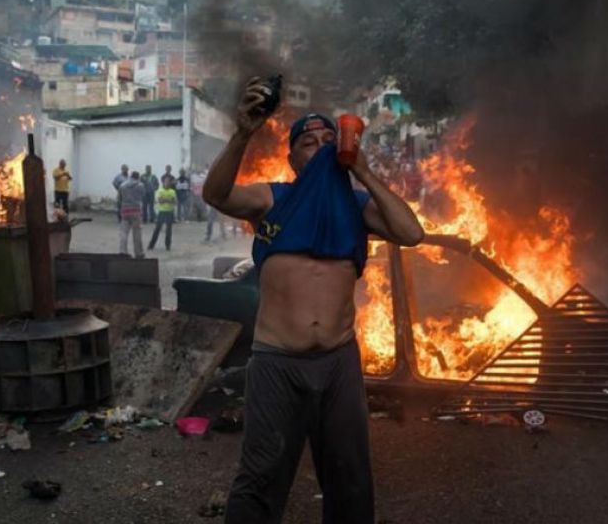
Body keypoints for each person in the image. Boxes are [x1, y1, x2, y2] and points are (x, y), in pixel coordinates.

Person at [204, 79, 425, 524]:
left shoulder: (359, 205)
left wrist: (362, 169)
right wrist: (243, 133)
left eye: (331, 140)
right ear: (292, 159)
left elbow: (411, 233)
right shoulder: (273, 198)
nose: (322, 148)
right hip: (276, 364)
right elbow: (217, 194)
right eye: (309, 142)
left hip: (339, 363)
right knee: (261, 476)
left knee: (350, 479)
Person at [117, 171, 145, 258]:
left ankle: (123, 251)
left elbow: (119, 199)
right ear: (138, 177)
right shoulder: (140, 185)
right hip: (136, 211)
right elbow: (143, 196)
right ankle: (138, 253)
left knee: (124, 232)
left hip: (125, 211)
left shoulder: (122, 185)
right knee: (137, 233)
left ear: (130, 176)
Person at [148, 179, 177, 251]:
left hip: (170, 212)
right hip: (162, 212)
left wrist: (165, 199)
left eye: (169, 182)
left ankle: (168, 246)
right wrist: (169, 200)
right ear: (163, 183)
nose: (167, 184)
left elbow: (174, 202)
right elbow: (160, 201)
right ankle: (151, 245)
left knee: (169, 230)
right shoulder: (160, 191)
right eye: (166, 182)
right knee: (157, 229)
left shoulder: (172, 191)